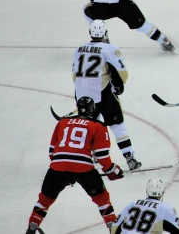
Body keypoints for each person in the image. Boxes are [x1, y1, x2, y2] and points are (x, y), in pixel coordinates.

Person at [24, 96, 124, 234]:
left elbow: (52, 151)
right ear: (93, 109)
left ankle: (32, 226)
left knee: (45, 199)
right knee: (102, 199)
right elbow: (102, 156)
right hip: (84, 168)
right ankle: (113, 227)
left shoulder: (63, 122)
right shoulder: (98, 126)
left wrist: (64, 170)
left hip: (57, 166)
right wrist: (112, 170)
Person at [74, 20, 142, 170]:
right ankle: (129, 156)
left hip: (81, 94)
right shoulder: (109, 49)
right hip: (103, 93)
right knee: (117, 125)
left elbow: (75, 76)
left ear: (90, 33)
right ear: (105, 33)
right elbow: (122, 74)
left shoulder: (79, 49)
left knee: (89, 126)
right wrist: (118, 85)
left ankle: (89, 157)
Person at [110, 179, 179, 234]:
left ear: (147, 191)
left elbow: (115, 227)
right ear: (162, 192)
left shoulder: (133, 204)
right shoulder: (165, 209)